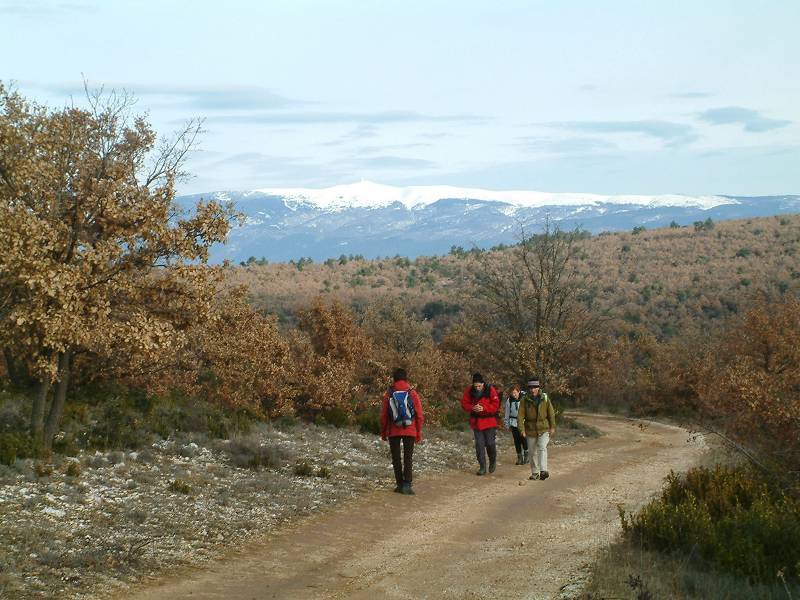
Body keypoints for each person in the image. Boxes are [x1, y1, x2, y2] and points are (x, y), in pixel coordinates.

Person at [380, 367, 424, 495]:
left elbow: (383, 416)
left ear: (394, 379)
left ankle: (399, 484)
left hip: (394, 430)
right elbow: (419, 414)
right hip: (410, 429)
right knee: (408, 457)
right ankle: (407, 485)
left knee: (396, 458)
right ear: (406, 378)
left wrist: (384, 432)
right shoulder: (412, 393)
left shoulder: (389, 393)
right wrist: (418, 431)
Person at [461, 372, 500, 475]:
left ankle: (492, 460)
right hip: (476, 423)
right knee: (479, 445)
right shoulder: (469, 391)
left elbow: (496, 405)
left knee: (490, 443)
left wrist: (484, 408)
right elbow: (464, 403)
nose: (477, 388)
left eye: (479, 385)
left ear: (483, 383)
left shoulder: (490, 390)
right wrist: (472, 408)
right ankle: (482, 466)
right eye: (476, 386)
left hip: (489, 421)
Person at [518, 376, 556, 480]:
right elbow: (520, 416)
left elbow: (551, 413)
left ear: (538, 387)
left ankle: (543, 470)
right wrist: (521, 429)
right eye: (530, 387)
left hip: (543, 427)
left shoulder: (545, 398)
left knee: (542, 447)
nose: (532, 389)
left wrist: (552, 427)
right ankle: (535, 473)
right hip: (530, 429)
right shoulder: (524, 400)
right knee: (532, 452)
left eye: (535, 387)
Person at [503, 384, 529, 465]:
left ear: (519, 392)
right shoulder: (509, 401)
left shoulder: (524, 399)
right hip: (513, 423)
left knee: (524, 439)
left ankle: (526, 455)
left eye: (515, 393)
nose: (514, 394)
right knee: (516, 440)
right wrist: (507, 424)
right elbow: (507, 413)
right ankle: (519, 457)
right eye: (512, 393)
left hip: (523, 422)